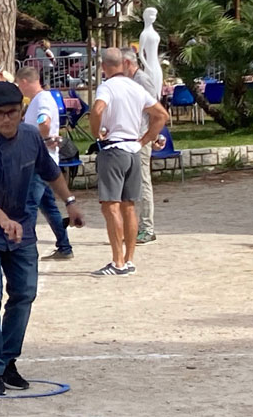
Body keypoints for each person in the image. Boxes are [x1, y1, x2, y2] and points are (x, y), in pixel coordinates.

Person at [0, 81, 85, 395]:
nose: (6, 119)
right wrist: (3, 220)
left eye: (12, 112)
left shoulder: (31, 137)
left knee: (25, 293)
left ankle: (7, 360)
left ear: (22, 111)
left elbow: (50, 171)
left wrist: (70, 202)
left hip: (21, 228)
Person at [89, 47, 168, 276]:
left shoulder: (106, 87)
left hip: (114, 148)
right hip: (133, 148)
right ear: (123, 64)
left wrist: (97, 132)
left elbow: (98, 108)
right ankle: (129, 259)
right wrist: (145, 139)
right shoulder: (135, 87)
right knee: (129, 206)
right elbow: (161, 114)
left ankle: (117, 261)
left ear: (104, 67)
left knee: (110, 206)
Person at [15, 66, 74, 260]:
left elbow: (45, 123)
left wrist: (39, 140)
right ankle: (64, 246)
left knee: (29, 205)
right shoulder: (38, 100)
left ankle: (26, 248)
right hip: (42, 158)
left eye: (19, 84)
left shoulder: (41, 100)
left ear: (24, 82)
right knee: (47, 205)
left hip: (40, 160)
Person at [122, 48, 161, 246]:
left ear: (128, 63)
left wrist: (152, 137)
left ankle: (147, 228)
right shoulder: (130, 81)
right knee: (132, 184)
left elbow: (156, 111)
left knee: (144, 182)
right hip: (131, 138)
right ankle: (134, 226)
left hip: (141, 138)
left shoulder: (142, 80)